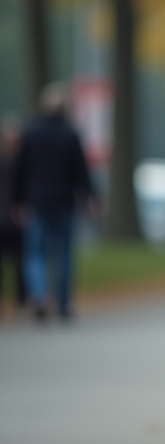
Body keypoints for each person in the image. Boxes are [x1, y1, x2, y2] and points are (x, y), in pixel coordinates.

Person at [12, 84, 96, 322]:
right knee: (64, 254)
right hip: (64, 202)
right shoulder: (70, 135)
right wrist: (90, 195)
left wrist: (17, 200)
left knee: (35, 253)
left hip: (37, 201)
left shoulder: (31, 134)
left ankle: (39, 293)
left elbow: (21, 170)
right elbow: (81, 171)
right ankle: (62, 303)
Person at [0, 117, 28, 318]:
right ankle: (20, 303)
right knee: (20, 262)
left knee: (19, 262)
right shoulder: (22, 161)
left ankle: (19, 302)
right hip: (15, 217)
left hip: (10, 217)